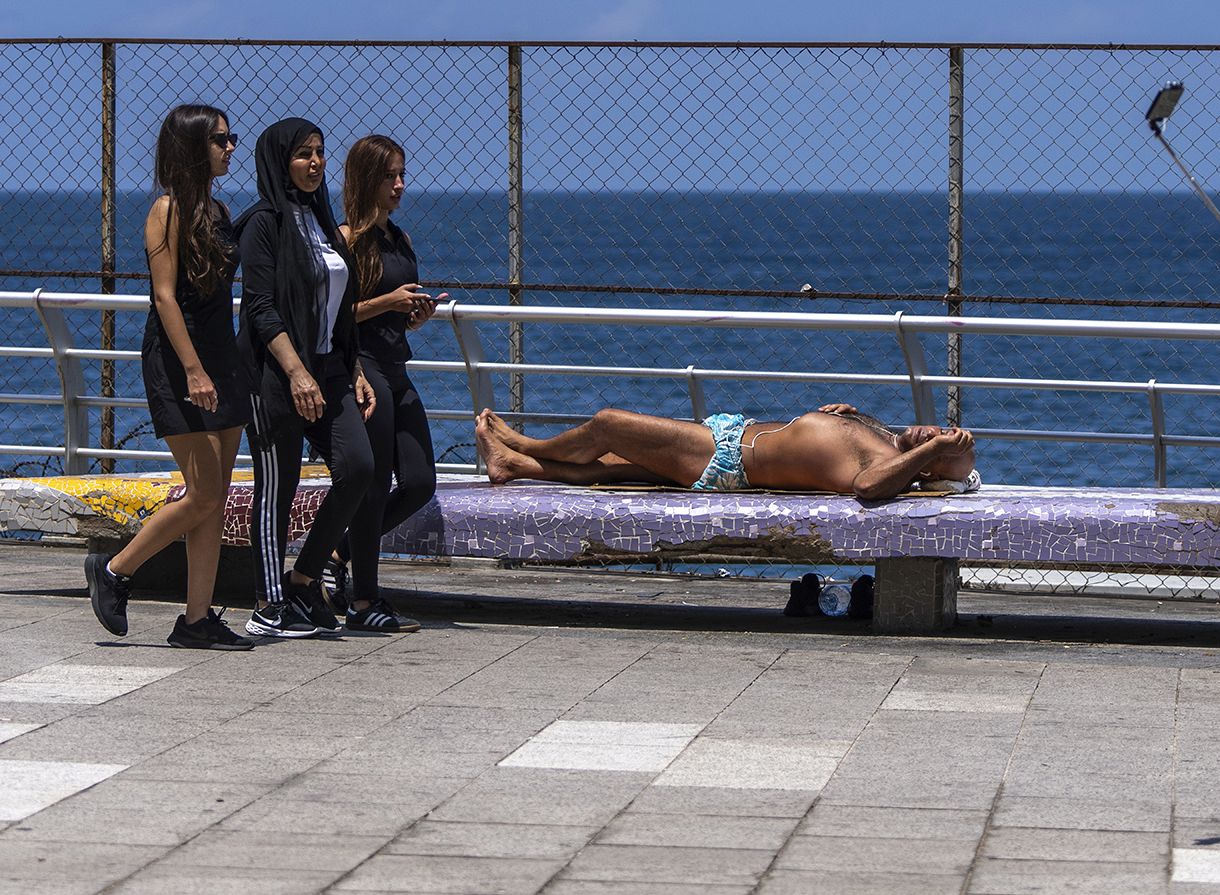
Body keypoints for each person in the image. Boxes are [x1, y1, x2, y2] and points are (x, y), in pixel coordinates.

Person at [84, 103, 253, 650]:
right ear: (192, 147)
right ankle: (115, 570)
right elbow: (163, 297)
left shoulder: (220, 212)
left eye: (232, 140)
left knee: (215, 495)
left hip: (221, 358)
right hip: (180, 362)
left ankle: (197, 620)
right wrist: (194, 369)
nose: (231, 149)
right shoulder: (165, 211)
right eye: (221, 140)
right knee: (203, 492)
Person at [235, 117, 377, 639]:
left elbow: (336, 307)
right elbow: (260, 307)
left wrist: (353, 369)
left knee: (360, 468)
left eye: (319, 153)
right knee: (279, 486)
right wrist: (295, 372)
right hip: (274, 375)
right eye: (303, 155)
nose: (315, 163)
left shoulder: (320, 219)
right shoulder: (263, 222)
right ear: (279, 162)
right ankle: (268, 606)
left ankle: (301, 579)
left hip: (329, 371)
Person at [321, 135, 445, 634]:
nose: (399, 185)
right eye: (390, 175)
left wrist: (414, 315)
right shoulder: (345, 241)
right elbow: (334, 317)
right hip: (363, 368)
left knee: (418, 482)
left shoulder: (401, 239)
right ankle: (363, 600)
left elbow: (396, 312)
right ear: (366, 179)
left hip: (398, 365)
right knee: (372, 487)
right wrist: (385, 304)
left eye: (402, 175)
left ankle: (338, 550)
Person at [473, 404, 976, 500]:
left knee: (609, 426)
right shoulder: (885, 440)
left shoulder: (888, 469)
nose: (938, 431)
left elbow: (868, 487)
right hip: (731, 441)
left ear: (928, 468)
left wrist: (927, 455)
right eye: (946, 429)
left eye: (943, 444)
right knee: (616, 469)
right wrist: (848, 415)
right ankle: (514, 465)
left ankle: (524, 442)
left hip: (727, 457)